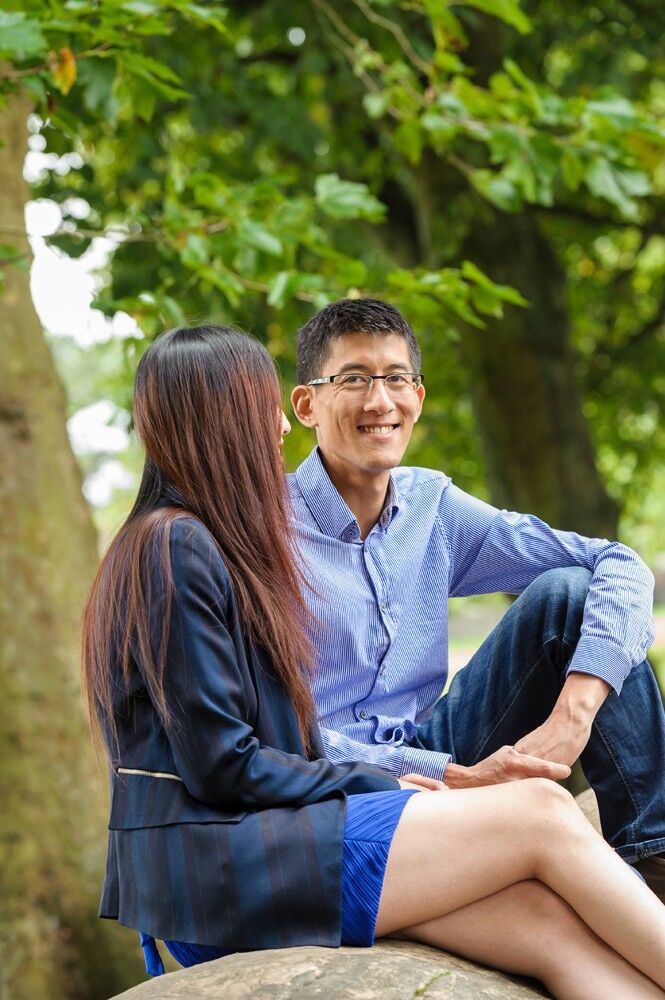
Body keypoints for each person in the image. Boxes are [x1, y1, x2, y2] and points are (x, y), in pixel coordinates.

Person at [82, 325, 665, 997]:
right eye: (260, 405)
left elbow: (261, 742)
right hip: (229, 871)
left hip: (270, 842)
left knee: (546, 926)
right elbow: (222, 763)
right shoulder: (175, 546)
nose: (274, 426)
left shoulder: (206, 542)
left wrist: (412, 776)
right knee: (538, 810)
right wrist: (385, 785)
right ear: (219, 419)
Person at [288, 297, 665, 899]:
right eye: (353, 379)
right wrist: (445, 775)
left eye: (396, 379)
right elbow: (279, 735)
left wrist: (572, 716)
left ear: (418, 396)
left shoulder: (433, 508)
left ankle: (653, 861)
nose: (379, 401)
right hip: (334, 785)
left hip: (437, 740)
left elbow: (615, 562)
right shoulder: (262, 533)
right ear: (307, 403)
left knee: (567, 596)